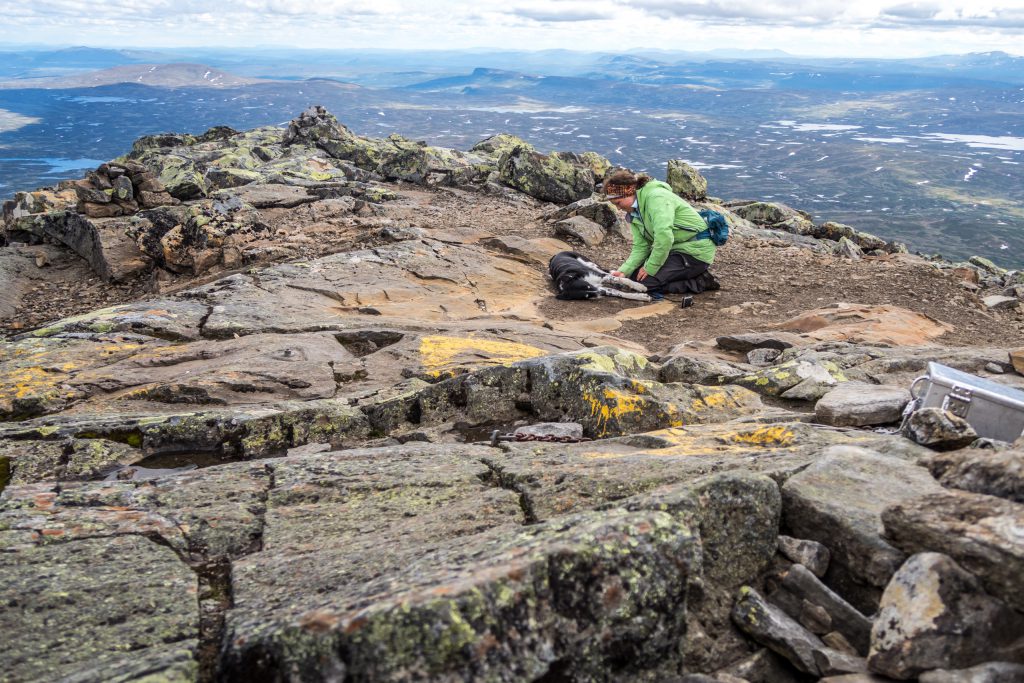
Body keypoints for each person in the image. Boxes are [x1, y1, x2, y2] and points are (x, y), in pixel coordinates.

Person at [603, 169, 719, 296]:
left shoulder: (656, 197)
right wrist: (624, 271)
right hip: (673, 250)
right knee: (631, 280)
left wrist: (650, 267)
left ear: (629, 192)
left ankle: (700, 281)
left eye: (618, 203)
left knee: (645, 285)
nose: (618, 208)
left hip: (695, 251)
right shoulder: (635, 212)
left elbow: (664, 237)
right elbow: (641, 246)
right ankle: (679, 275)